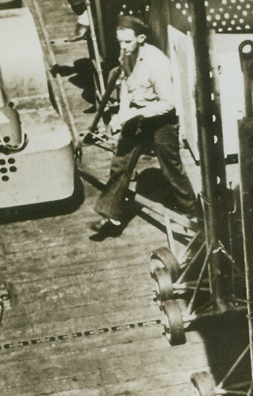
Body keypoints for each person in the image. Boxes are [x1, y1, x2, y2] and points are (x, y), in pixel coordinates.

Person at [89, 15, 199, 239]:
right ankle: (111, 214)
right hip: (136, 114)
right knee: (120, 164)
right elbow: (126, 88)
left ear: (141, 38)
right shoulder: (126, 53)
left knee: (171, 167)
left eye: (127, 42)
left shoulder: (157, 63)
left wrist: (134, 113)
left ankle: (193, 213)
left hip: (161, 120)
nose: (123, 47)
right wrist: (121, 115)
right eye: (120, 42)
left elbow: (168, 104)